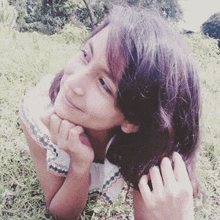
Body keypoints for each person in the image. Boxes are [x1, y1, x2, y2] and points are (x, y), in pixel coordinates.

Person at [19, 5, 201, 220]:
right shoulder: (40, 115)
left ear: (133, 121)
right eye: (86, 55)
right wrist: (80, 165)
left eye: (104, 84)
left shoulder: (150, 141)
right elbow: (61, 212)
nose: (74, 83)